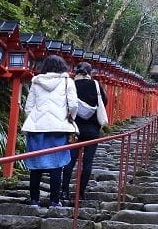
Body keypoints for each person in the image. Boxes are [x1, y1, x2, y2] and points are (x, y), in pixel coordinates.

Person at [20, 54, 78, 208]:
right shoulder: (67, 82)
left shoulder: (36, 82)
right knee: (57, 164)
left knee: (36, 164)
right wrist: (70, 117)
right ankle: (54, 201)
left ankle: (34, 200)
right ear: (62, 67)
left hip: (37, 128)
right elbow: (73, 105)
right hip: (59, 128)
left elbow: (28, 107)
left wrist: (35, 120)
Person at [61, 61, 108, 202]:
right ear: (90, 72)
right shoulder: (95, 84)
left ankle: (64, 191)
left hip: (74, 128)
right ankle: (80, 193)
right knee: (88, 162)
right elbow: (104, 102)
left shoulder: (71, 85)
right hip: (92, 128)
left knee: (70, 160)